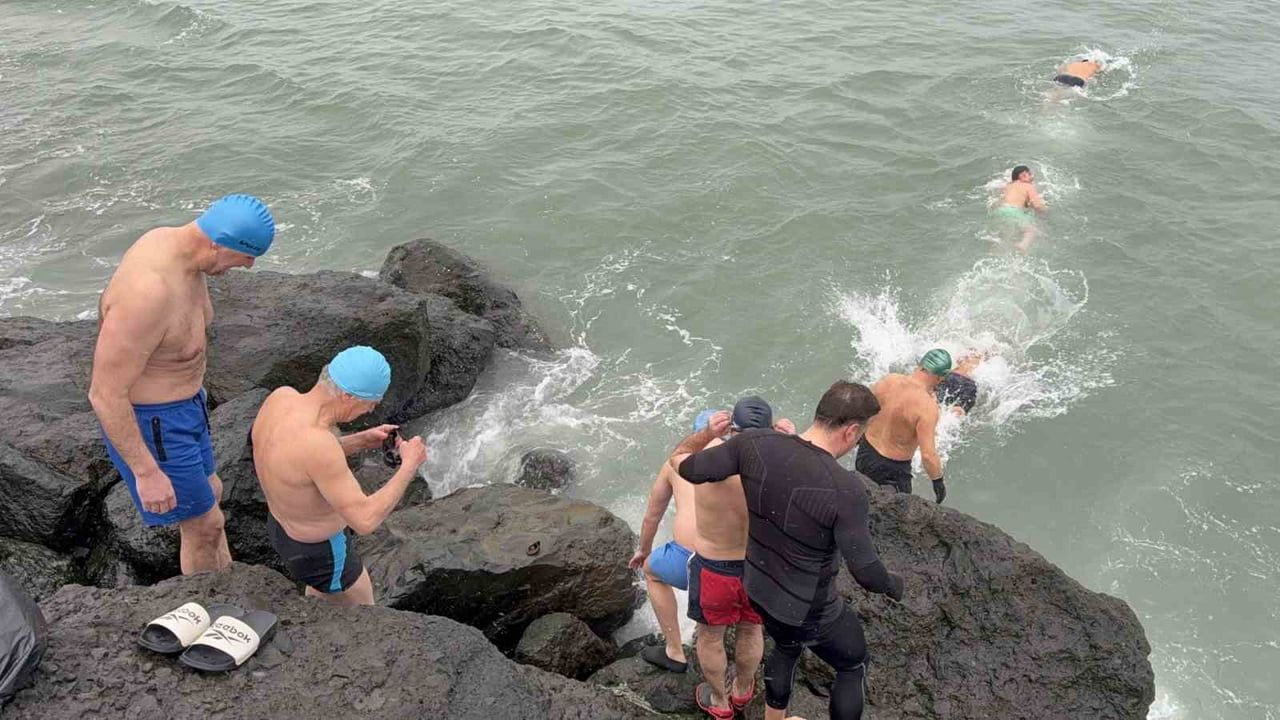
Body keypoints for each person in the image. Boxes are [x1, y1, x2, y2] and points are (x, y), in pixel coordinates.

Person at [672, 382, 905, 720]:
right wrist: (894, 585)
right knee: (853, 664)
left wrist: (704, 434)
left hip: (761, 593)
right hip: (809, 608)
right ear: (852, 430)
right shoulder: (846, 488)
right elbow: (867, 573)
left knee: (786, 646)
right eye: (860, 435)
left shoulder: (753, 443)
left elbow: (688, 467)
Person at [89, 194, 275, 575]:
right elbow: (105, 393)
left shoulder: (180, 251)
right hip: (156, 425)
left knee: (215, 495)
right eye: (245, 256)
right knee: (204, 527)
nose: (250, 265)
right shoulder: (148, 292)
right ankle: (206, 610)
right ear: (217, 244)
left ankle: (228, 584)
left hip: (189, 408)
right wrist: (147, 472)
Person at [252, 346, 428, 606]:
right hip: (322, 551)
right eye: (370, 404)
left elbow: (296, 458)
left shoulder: (280, 398)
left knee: (322, 597)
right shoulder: (319, 445)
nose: (369, 411)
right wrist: (409, 465)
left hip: (283, 531)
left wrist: (360, 441)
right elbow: (365, 520)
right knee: (365, 614)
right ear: (347, 397)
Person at [687, 396, 796, 719]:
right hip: (759, 566)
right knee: (751, 629)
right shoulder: (783, 465)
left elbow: (678, 457)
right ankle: (743, 689)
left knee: (710, 636)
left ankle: (720, 702)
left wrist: (707, 432)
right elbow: (817, 462)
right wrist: (789, 440)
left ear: (732, 427)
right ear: (768, 430)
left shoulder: (707, 457)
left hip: (714, 569)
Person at [628, 409, 713, 673]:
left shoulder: (675, 464)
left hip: (687, 561)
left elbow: (652, 516)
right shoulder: (740, 462)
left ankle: (675, 650)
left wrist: (643, 550)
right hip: (734, 565)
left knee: (651, 571)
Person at [857, 349, 950, 503]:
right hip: (892, 471)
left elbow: (863, 409)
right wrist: (938, 482)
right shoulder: (927, 407)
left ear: (921, 365)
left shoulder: (889, 380)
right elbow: (928, 455)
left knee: (862, 499)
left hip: (865, 453)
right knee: (893, 517)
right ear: (940, 377)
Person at [995, 165, 1047, 252]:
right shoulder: (1027, 185)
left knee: (1004, 236)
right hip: (1014, 211)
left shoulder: (1008, 186)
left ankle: (995, 251)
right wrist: (1044, 210)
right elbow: (1037, 205)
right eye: (1029, 174)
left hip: (1000, 211)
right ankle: (1023, 245)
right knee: (1032, 231)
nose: (1032, 176)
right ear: (1022, 176)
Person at [937, 351, 986, 417]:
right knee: (959, 410)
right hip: (968, 384)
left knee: (937, 401)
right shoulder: (979, 359)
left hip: (951, 376)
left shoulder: (965, 356)